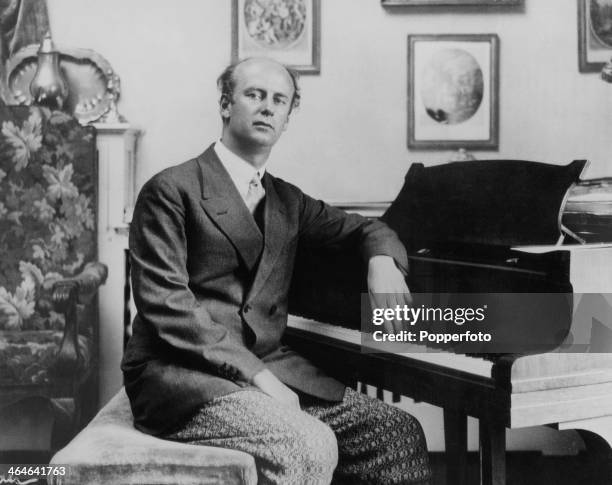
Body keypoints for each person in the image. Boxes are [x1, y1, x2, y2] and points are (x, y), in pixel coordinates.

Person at [122, 57, 431, 485]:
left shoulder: (288, 201)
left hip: (270, 369)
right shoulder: (171, 189)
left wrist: (382, 260)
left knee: (396, 432)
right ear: (226, 104)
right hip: (182, 376)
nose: (267, 107)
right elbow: (167, 306)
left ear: (288, 117)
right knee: (306, 443)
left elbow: (368, 228)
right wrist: (257, 375)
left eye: (279, 100)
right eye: (255, 95)